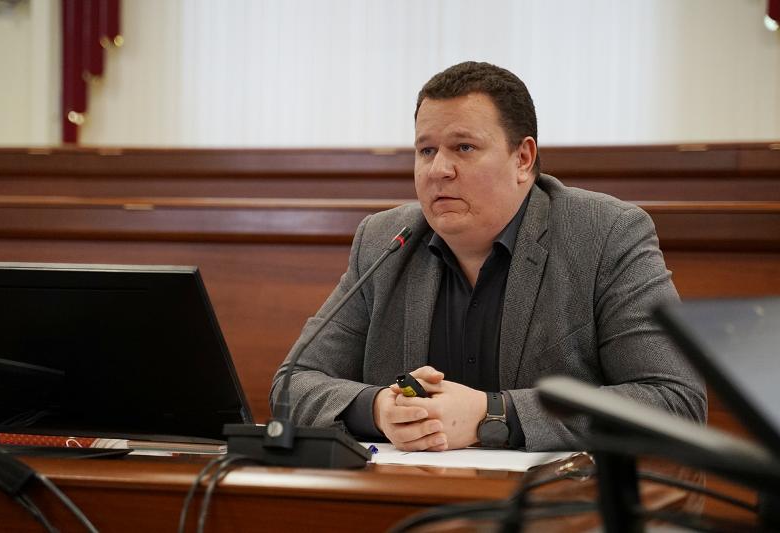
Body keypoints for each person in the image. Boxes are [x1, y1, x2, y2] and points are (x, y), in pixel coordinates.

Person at [271, 61, 706, 452]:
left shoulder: (605, 234)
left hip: (557, 501)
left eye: (463, 147)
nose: (438, 170)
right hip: (414, 495)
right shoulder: (384, 240)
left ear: (523, 159)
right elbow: (292, 384)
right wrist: (379, 408)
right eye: (426, 150)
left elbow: (675, 401)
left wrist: (492, 414)